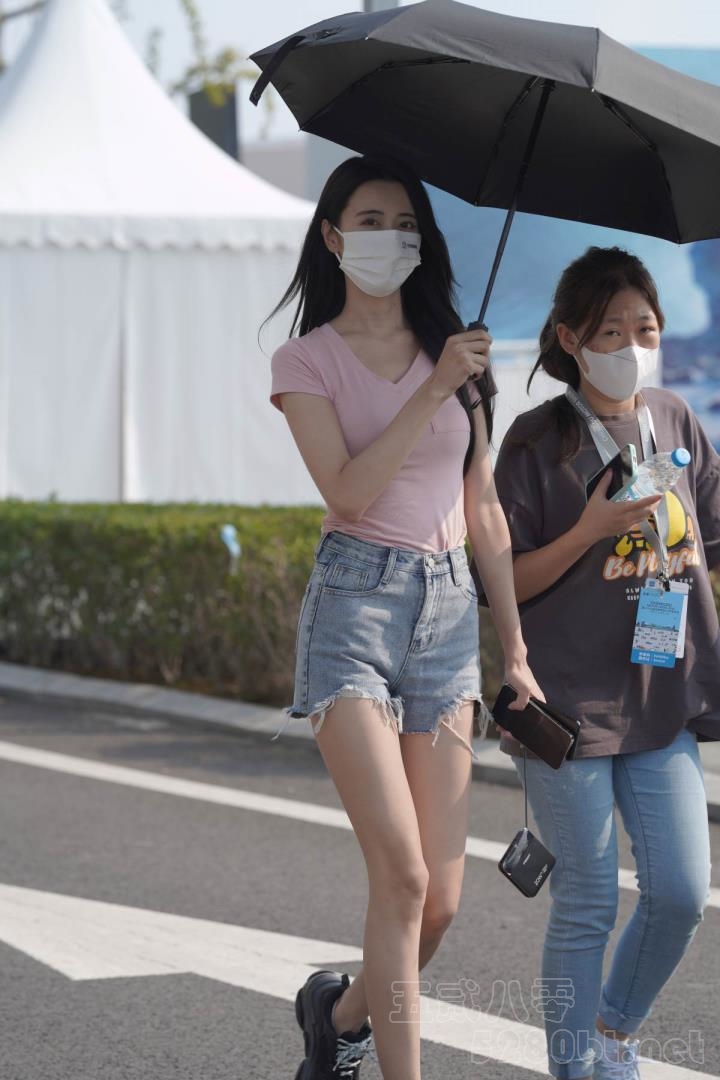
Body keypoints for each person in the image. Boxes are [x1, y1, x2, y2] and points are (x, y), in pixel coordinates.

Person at [268, 154, 541, 1080]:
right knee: (404, 875)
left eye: (407, 223)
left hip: (449, 617)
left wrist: (516, 649)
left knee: (442, 902)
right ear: (333, 237)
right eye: (371, 221)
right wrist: (433, 388)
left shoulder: (458, 353)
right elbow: (348, 492)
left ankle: (339, 1015)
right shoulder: (306, 359)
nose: (392, 237)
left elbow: (484, 509)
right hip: (354, 611)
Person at [490, 246, 719, 1080]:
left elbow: (713, 534)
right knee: (586, 902)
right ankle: (575, 1069)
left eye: (644, 329)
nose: (631, 345)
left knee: (681, 893)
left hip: (661, 697)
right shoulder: (535, 441)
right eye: (610, 331)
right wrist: (589, 529)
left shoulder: (675, 418)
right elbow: (503, 580)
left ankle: (613, 1034)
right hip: (564, 705)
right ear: (569, 338)